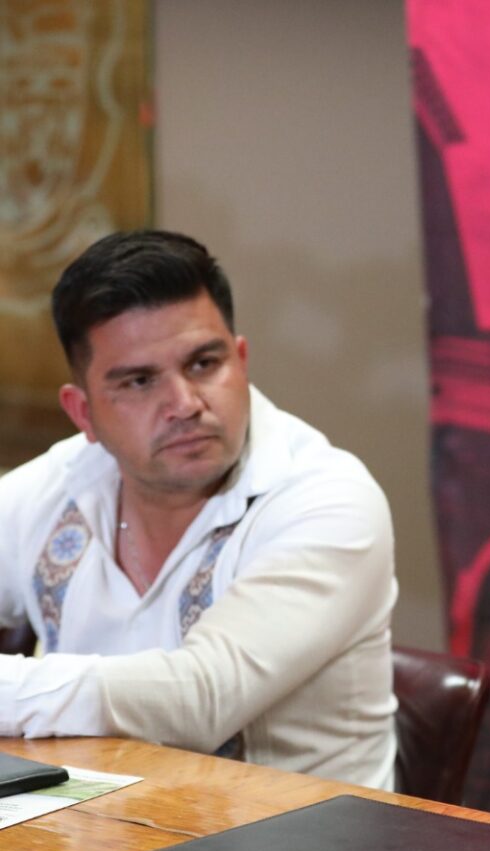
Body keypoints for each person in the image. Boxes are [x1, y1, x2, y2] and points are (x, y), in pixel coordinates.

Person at [0, 229, 397, 786]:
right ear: (83, 412)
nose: (184, 405)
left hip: (297, 836)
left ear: (241, 360)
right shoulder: (55, 485)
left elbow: (202, 698)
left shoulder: (327, 497)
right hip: (92, 823)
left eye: (204, 364)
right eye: (140, 381)